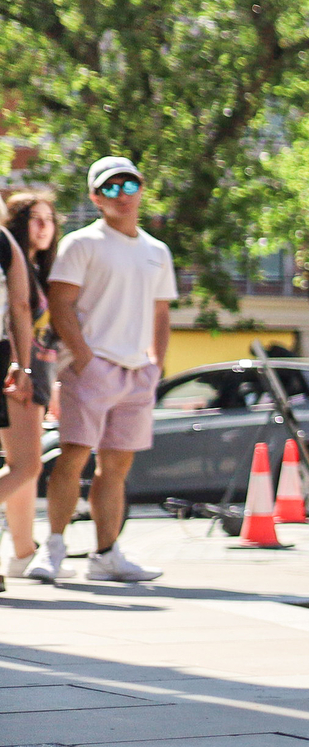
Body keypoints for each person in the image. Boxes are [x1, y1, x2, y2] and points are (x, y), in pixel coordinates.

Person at [28, 158, 176, 584]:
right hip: (90, 368)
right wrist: (86, 358)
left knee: (117, 467)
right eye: (109, 188)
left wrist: (155, 364)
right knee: (73, 455)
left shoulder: (156, 251)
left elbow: (161, 313)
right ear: (95, 198)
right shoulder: (82, 243)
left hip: (137, 373)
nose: (121, 195)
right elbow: (60, 304)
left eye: (128, 185)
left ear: (141, 188)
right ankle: (53, 549)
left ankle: (106, 554)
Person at [0, 189, 56, 577]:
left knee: (23, 466)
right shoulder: (8, 250)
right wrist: (22, 365)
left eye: (49, 219)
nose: (44, 227)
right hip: (16, 372)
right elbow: (18, 309)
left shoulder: (37, 269)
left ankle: (22, 552)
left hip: (29, 372)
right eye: (35, 218)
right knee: (27, 465)